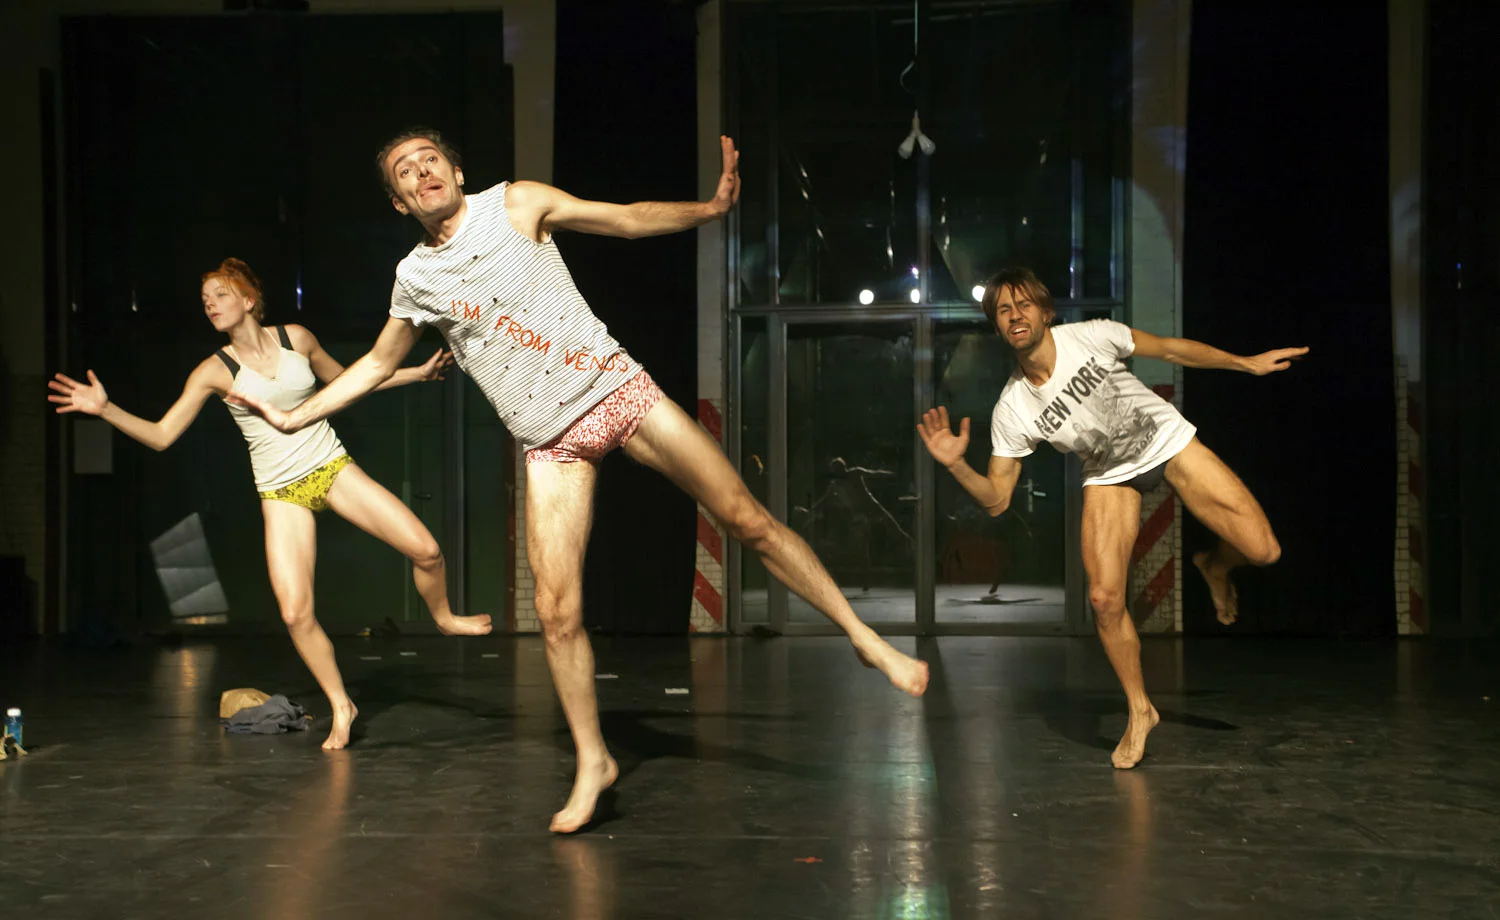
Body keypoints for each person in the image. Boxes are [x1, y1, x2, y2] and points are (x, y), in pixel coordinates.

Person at [228, 128, 931, 832]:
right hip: (549, 444)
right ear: (399, 202)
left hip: (617, 390)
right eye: (405, 172)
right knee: (557, 611)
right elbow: (378, 364)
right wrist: (296, 417)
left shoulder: (517, 204)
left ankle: (863, 638)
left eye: (429, 160)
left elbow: (624, 219)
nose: (421, 173)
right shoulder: (414, 277)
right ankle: (594, 761)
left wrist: (710, 210)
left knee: (745, 518)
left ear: (456, 171)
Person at [48, 258, 491, 750]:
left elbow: (351, 380)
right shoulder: (212, 372)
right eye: (205, 299)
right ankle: (342, 705)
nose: (210, 304)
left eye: (220, 294)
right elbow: (161, 435)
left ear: (248, 299)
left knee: (426, 551)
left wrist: (416, 374)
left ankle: (444, 617)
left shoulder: (296, 339)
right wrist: (105, 409)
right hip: (281, 492)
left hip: (331, 467)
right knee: (295, 613)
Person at [918, 267, 1303, 768]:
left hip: (1166, 440)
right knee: (1103, 599)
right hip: (1108, 474)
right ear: (998, 327)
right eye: (1004, 311)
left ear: (1045, 312)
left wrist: (1245, 364)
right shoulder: (1013, 408)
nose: (1015, 316)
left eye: (1024, 305)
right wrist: (956, 465)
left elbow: (1171, 349)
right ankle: (1140, 710)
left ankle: (1216, 565)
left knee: (1264, 550)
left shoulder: (1093, 336)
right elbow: (997, 499)